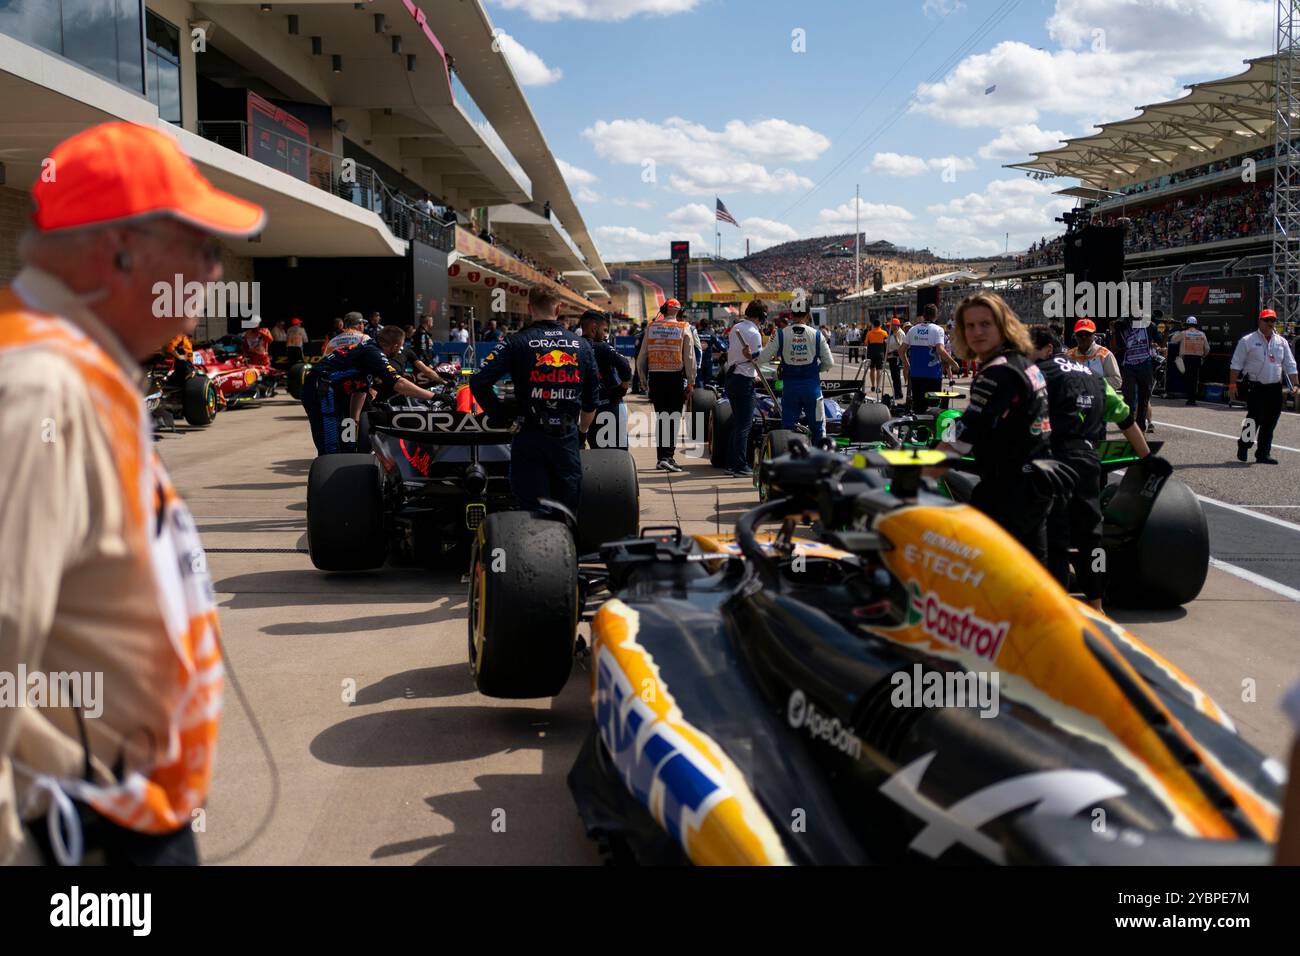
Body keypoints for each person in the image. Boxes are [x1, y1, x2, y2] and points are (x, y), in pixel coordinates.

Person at [0, 120, 264, 865]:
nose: (216, 274)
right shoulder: (37, 390)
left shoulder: (81, 374)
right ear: (116, 251)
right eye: (203, 249)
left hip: (118, 814)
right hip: (81, 838)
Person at [1030, 329, 1156, 609]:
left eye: (1028, 351)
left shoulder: (1038, 374)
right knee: (1091, 538)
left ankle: (1057, 608)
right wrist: (1147, 460)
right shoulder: (1095, 377)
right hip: (1088, 460)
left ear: (1047, 350)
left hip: (1052, 461)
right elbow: (1125, 419)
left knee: (1056, 539)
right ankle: (1097, 606)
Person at [935, 292, 1060, 563]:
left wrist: (922, 471)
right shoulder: (1024, 362)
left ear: (1003, 325)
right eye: (969, 326)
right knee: (1032, 571)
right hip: (1037, 481)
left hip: (1010, 490)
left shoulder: (998, 371)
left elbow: (964, 434)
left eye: (985, 324)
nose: (976, 332)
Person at [470, 286, 598, 515]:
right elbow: (591, 400)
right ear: (558, 309)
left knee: (534, 513)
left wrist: (502, 418)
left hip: (528, 434)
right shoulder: (583, 346)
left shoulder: (515, 342)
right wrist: (581, 433)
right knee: (566, 513)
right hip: (566, 437)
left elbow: (478, 381)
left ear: (530, 309)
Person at [303, 326, 435, 455]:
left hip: (328, 388)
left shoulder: (369, 350)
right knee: (330, 442)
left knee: (346, 444)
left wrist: (354, 421)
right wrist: (433, 396)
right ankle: (330, 469)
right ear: (395, 346)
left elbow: (360, 389)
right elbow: (399, 383)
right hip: (321, 386)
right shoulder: (374, 353)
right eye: (400, 347)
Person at [755, 302, 836, 440]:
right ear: (807, 315)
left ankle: (790, 459)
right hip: (813, 391)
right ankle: (819, 459)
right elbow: (829, 362)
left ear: (791, 315)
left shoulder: (780, 334)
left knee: (788, 429)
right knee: (818, 429)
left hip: (790, 390)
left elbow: (762, 358)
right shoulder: (817, 334)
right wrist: (815, 371)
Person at [1230, 307, 1300, 465]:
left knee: (1271, 420)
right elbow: (1236, 364)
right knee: (1254, 418)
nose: (1270, 323)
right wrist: (1232, 384)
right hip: (1255, 386)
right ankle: (1244, 444)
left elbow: (1290, 364)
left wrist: (1295, 383)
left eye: (1272, 320)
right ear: (1260, 321)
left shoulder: (1281, 342)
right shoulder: (1247, 340)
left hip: (1275, 387)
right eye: (1267, 320)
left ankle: (1263, 453)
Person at [636, 298, 696, 472]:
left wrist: (643, 380)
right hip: (674, 378)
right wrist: (691, 381)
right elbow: (689, 358)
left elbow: (642, 357)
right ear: (678, 311)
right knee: (673, 418)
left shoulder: (652, 327)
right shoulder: (683, 327)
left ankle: (661, 458)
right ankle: (667, 457)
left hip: (655, 377)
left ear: (663, 309)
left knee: (661, 417)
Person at [723, 301, 767, 477]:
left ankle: (731, 463)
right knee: (744, 425)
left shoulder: (737, 327)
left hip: (732, 376)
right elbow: (757, 358)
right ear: (760, 316)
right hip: (743, 380)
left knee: (737, 423)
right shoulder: (753, 333)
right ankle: (740, 465)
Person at [579, 310, 632, 450]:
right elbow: (625, 366)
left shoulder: (574, 347)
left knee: (596, 449)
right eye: (604, 330)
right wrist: (623, 388)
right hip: (609, 404)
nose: (605, 335)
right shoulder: (602, 347)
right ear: (594, 328)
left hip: (584, 409)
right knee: (619, 452)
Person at [903, 303, 958, 413]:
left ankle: (919, 429)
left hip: (916, 374)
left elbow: (901, 350)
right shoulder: (938, 330)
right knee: (933, 407)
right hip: (932, 374)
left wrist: (907, 364)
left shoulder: (912, 330)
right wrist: (953, 363)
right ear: (936, 316)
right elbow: (940, 350)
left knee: (918, 406)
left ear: (923, 315)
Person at [1112, 311, 1161, 433]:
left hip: (1145, 365)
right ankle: (1131, 428)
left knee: (1144, 398)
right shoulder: (1123, 326)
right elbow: (1115, 347)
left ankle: (1141, 428)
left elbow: (1160, 341)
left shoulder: (1149, 325)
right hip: (1129, 366)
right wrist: (1114, 331)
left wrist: (1166, 331)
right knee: (1129, 399)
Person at [1065, 318, 1122, 390]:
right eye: (1080, 334)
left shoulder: (1105, 354)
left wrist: (1092, 382)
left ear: (1094, 335)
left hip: (1098, 398)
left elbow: (1117, 381)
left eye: (1087, 334)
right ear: (1075, 336)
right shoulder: (1068, 356)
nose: (1084, 337)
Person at [1170, 315, 1209, 405]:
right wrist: (1203, 356)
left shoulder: (1184, 333)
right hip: (1197, 359)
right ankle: (1193, 399)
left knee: (1188, 378)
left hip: (1186, 359)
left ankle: (1190, 398)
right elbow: (1207, 349)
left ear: (1187, 324)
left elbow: (1173, 340)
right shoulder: (1202, 334)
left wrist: (1179, 330)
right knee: (1194, 379)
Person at [884, 317, 906, 401]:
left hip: (896, 357)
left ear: (896, 325)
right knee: (894, 376)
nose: (890, 327)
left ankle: (898, 394)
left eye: (892, 325)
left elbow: (900, 346)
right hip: (891, 357)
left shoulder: (899, 333)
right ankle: (896, 393)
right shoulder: (892, 333)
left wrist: (892, 353)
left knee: (896, 376)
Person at [865, 318, 887, 393]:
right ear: (880, 325)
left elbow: (866, 343)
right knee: (879, 370)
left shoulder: (869, 333)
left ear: (873, 325)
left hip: (871, 353)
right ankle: (878, 387)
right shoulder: (884, 333)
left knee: (872, 369)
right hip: (880, 353)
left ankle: (873, 386)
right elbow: (886, 342)